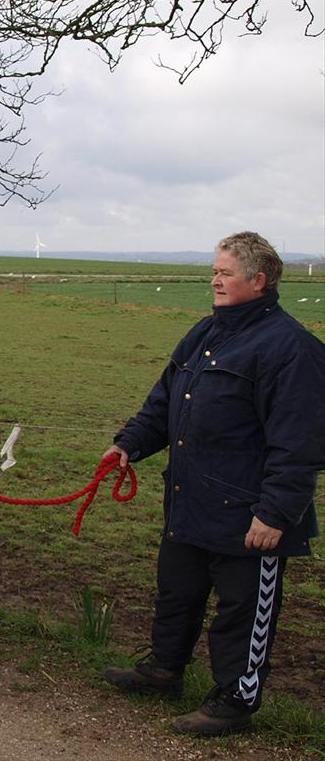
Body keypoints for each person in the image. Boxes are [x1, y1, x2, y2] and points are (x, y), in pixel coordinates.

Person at [101, 232, 325, 736]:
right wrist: (128, 445)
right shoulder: (204, 334)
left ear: (259, 279)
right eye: (214, 271)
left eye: (226, 272)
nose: (215, 280)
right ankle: (164, 670)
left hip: (249, 513)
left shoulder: (293, 350)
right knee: (177, 592)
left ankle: (235, 699)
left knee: (241, 612)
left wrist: (276, 511)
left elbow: (300, 441)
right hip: (189, 499)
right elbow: (164, 402)